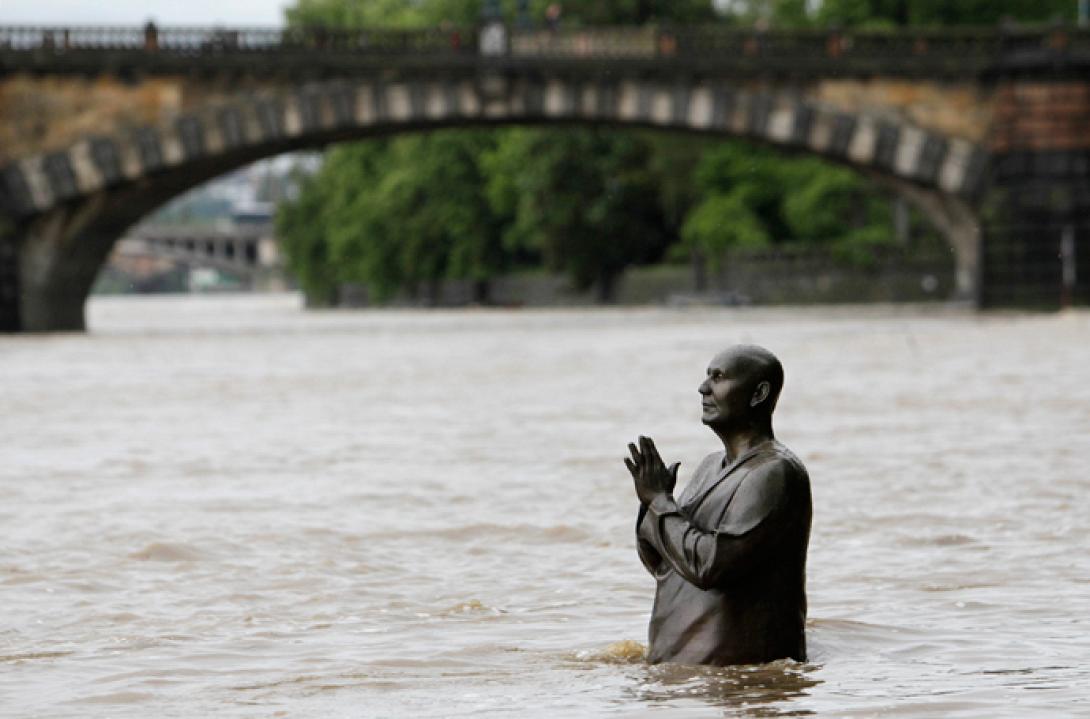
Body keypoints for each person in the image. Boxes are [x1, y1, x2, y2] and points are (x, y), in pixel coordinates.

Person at [625, 345, 812, 666]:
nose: (703, 388)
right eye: (707, 376)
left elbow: (710, 566)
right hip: (683, 676)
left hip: (740, 678)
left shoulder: (773, 473)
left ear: (759, 394)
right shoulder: (710, 467)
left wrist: (659, 502)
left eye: (719, 377)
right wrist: (650, 504)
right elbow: (664, 565)